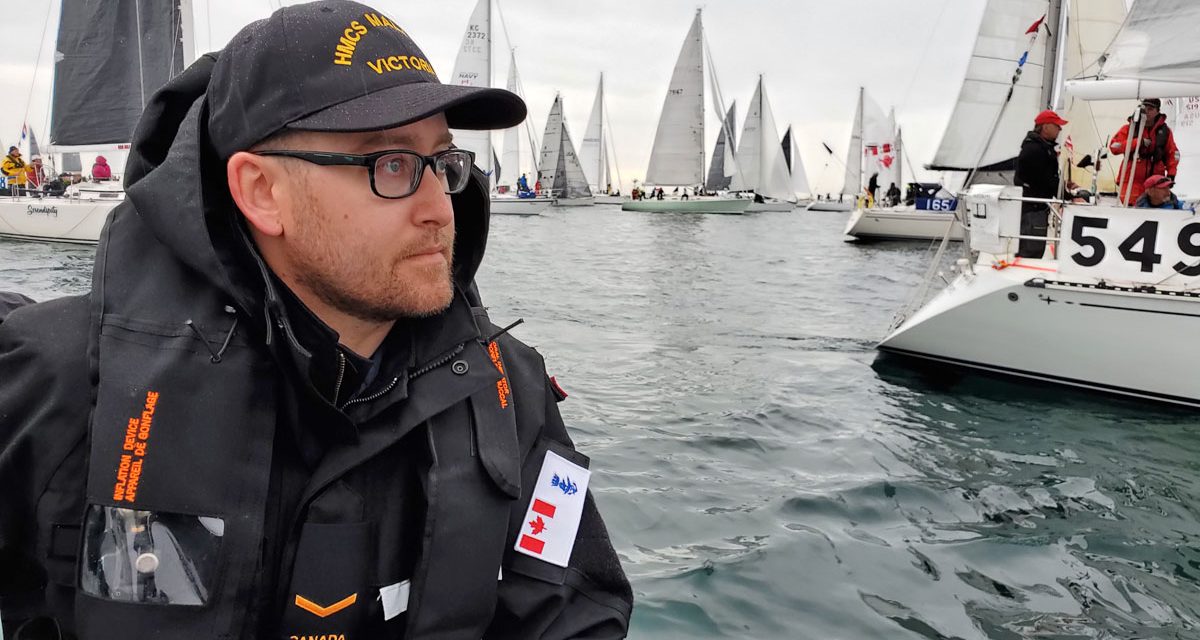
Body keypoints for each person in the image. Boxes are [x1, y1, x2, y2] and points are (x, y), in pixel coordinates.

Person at [0, 2, 632, 639]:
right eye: (391, 165)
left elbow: (575, 614)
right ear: (262, 192)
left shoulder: (511, 394)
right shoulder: (61, 383)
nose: (441, 207)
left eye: (442, 162)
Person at [1014, 109, 1067, 258]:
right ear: (1045, 127)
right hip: (1033, 208)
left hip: (1035, 207)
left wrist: (1065, 188)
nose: (1060, 129)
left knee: (1032, 247)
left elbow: (1046, 178)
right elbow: (1046, 180)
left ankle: (1024, 271)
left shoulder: (1038, 147)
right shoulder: (1037, 150)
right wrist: (1068, 196)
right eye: (1057, 125)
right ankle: (1024, 275)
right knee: (1032, 249)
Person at [1110, 98, 1179, 205]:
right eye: (1144, 108)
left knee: (1155, 210)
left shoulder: (1165, 132)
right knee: (1130, 209)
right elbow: (1114, 147)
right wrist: (1137, 142)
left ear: (1157, 111)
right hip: (1132, 179)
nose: (1146, 111)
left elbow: (1173, 154)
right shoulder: (1129, 128)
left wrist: (1171, 173)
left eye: (1150, 109)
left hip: (1155, 180)